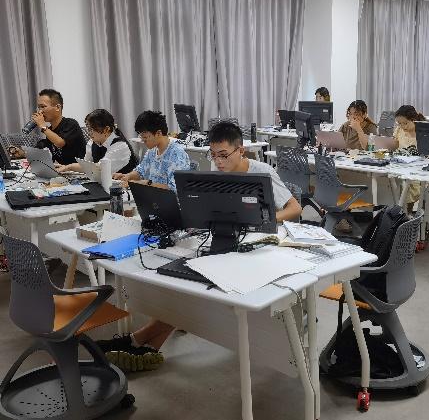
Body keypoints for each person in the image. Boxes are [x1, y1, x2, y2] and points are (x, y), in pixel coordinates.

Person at [97, 121, 302, 372]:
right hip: (225, 240)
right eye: (213, 155)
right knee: (185, 287)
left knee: (191, 293)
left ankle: (137, 341)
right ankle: (143, 345)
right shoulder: (216, 172)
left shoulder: (262, 172)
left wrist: (263, 221)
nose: (218, 162)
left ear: (241, 151)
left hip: (258, 246)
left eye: (224, 155)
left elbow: (295, 208)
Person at [112, 110, 191, 191]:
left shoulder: (177, 154)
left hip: (168, 198)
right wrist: (127, 176)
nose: (142, 140)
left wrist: (145, 183)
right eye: (141, 137)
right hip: (152, 195)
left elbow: (174, 188)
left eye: (145, 137)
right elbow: (140, 171)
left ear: (158, 133)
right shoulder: (152, 151)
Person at [10, 89, 86, 164]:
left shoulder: (71, 124)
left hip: (77, 170)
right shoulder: (49, 130)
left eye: (43, 107)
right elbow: (44, 154)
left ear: (57, 107)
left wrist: (42, 125)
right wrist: (23, 153)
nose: (39, 111)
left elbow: (60, 143)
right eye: (39, 107)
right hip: (61, 170)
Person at [55, 109, 137, 174]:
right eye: (88, 129)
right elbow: (86, 166)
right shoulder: (92, 142)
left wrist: (69, 167)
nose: (89, 133)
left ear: (106, 129)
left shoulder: (120, 146)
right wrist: (66, 167)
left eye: (91, 129)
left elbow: (99, 170)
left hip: (125, 187)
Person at [393, 105, 425, 212]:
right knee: (390, 179)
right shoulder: (399, 130)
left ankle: (407, 212)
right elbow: (394, 146)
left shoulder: (422, 131)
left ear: (413, 119)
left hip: (418, 168)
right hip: (400, 164)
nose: (402, 126)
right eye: (399, 123)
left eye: (405, 123)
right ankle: (397, 211)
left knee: (408, 183)